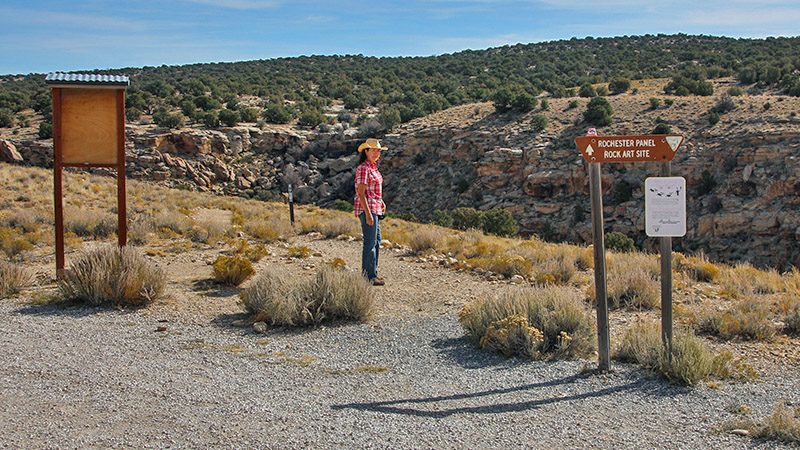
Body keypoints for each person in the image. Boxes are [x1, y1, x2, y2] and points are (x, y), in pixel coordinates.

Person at [354, 138, 387, 286]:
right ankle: (369, 276)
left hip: (375, 208)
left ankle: (373, 273)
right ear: (366, 151)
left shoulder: (373, 168)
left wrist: (381, 202)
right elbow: (361, 193)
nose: (376, 153)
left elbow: (373, 191)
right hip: (367, 208)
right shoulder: (363, 168)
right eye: (373, 150)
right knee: (370, 242)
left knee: (376, 241)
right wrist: (367, 214)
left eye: (378, 150)